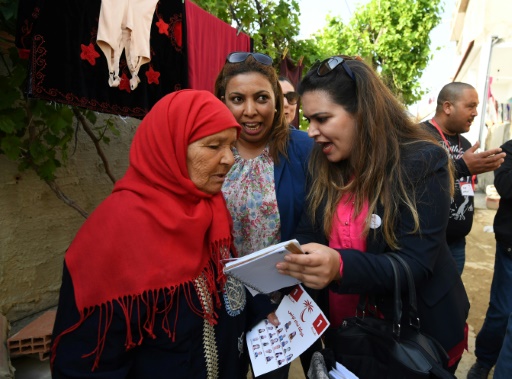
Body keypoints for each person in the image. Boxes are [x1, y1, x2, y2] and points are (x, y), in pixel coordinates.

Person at [50, 89, 278, 378]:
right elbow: (85, 364)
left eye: (230, 146)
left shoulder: (211, 208)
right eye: (213, 146)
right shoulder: (115, 231)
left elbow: (224, 278)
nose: (229, 159)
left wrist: (256, 309)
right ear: (170, 147)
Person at [275, 55, 470, 374]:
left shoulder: (423, 162)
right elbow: (310, 231)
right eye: (308, 120)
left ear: (363, 113)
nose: (310, 131)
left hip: (413, 338)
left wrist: (339, 266)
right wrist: (291, 299)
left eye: (321, 118)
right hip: (347, 334)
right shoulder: (321, 161)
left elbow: (414, 265)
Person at [214, 52, 314, 378]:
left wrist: (289, 295)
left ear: (277, 102)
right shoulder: (210, 151)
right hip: (221, 301)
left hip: (278, 305)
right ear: (222, 102)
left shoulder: (303, 150)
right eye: (237, 99)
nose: (250, 110)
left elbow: (317, 221)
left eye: (261, 98)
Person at [422, 82, 505, 274]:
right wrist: (461, 167)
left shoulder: (465, 143)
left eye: (476, 106)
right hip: (427, 244)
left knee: (451, 301)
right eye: (471, 106)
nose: (476, 113)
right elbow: (414, 179)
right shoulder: (419, 137)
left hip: (457, 245)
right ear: (448, 107)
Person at [467, 138, 512, 379]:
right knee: (502, 311)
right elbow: (504, 185)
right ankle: (484, 360)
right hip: (510, 250)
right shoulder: (509, 149)